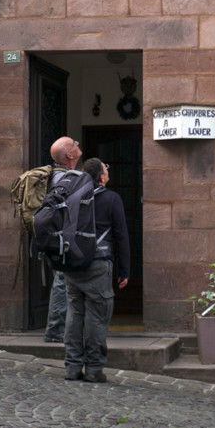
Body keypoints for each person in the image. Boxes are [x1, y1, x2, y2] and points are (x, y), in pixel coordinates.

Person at [63, 158, 130, 382]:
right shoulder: (111, 198)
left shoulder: (70, 196)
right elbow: (121, 236)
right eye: (106, 169)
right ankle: (93, 369)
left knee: (74, 314)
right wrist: (124, 269)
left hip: (71, 264)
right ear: (101, 177)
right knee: (97, 317)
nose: (107, 173)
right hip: (98, 263)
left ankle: (72, 367)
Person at [44, 136, 83, 343]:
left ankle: (61, 326)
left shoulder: (59, 176)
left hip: (58, 237)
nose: (78, 145)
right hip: (61, 238)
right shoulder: (64, 178)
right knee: (61, 281)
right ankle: (55, 329)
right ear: (69, 154)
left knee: (63, 280)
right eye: (75, 143)